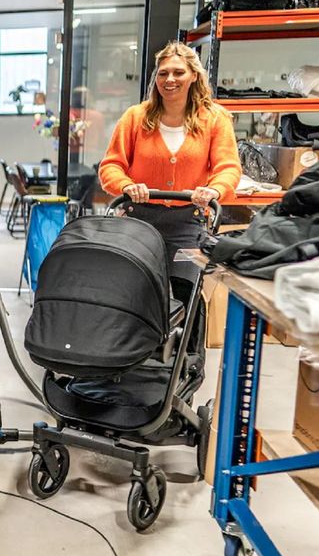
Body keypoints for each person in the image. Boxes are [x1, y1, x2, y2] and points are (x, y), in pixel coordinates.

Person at [98, 41, 241, 369]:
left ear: (193, 76)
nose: (170, 79)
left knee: (184, 291)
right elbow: (110, 167)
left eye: (178, 72)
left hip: (188, 221)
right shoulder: (136, 118)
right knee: (133, 290)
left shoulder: (214, 119)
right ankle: (130, 361)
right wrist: (126, 185)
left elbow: (228, 168)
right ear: (155, 78)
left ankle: (180, 364)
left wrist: (214, 190)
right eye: (163, 73)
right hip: (138, 221)